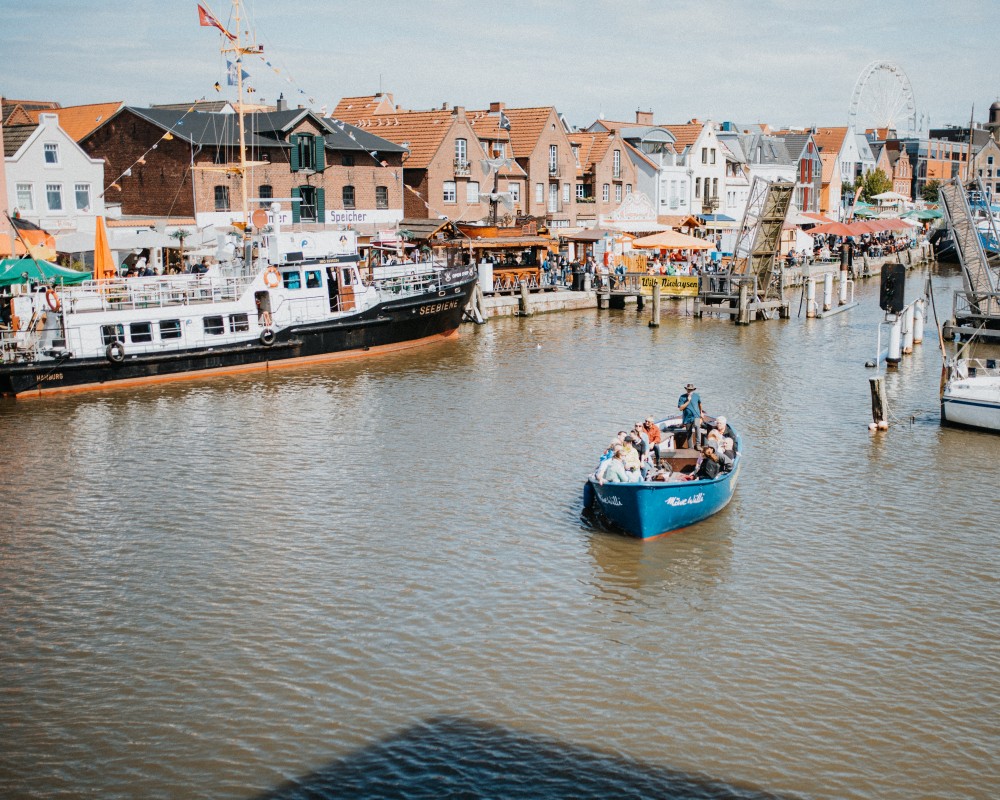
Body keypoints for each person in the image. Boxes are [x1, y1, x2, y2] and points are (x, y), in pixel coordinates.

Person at [677, 382, 704, 448]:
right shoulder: (682, 397)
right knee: (689, 432)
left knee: (697, 427)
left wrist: (701, 412)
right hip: (687, 417)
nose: (689, 391)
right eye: (688, 389)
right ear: (686, 389)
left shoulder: (696, 396)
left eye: (691, 390)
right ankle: (690, 447)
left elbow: (700, 404)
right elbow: (680, 408)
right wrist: (688, 401)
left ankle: (698, 444)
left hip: (696, 415)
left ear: (693, 390)